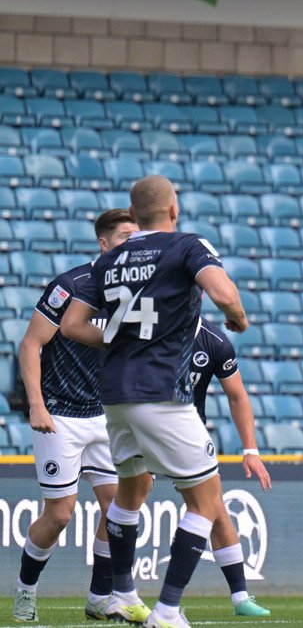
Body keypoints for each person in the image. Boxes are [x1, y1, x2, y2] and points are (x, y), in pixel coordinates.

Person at [61, 174, 249, 628]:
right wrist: (236, 317)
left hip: (115, 395)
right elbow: (223, 293)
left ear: (135, 213)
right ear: (173, 210)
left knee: (128, 496)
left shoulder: (108, 261)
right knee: (206, 502)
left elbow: (70, 325)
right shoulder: (186, 245)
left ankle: (123, 592)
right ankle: (166, 610)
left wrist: (117, 340)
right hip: (163, 393)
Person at [13, 210, 137, 622]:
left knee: (118, 510)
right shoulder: (71, 286)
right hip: (60, 415)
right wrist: (36, 404)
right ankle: (26, 590)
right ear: (103, 244)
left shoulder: (137, 291)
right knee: (60, 514)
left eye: (137, 236)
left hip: (106, 416)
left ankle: (100, 596)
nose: (131, 243)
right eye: (123, 237)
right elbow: (31, 345)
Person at [188, 319, 272, 617]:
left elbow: (237, 396)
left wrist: (250, 450)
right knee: (122, 503)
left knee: (216, 510)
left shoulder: (214, 341)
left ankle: (240, 597)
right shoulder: (149, 326)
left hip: (187, 432)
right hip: (143, 428)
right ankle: (112, 592)